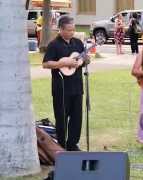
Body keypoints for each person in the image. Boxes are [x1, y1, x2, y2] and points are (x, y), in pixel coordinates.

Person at [42, 15, 90, 151]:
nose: (72, 32)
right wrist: (62, 63)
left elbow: (84, 61)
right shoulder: (54, 45)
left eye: (73, 29)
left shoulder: (78, 43)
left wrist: (86, 60)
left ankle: (72, 144)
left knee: (76, 118)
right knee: (62, 118)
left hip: (77, 86)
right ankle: (61, 145)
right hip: (61, 88)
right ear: (61, 29)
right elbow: (46, 64)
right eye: (69, 30)